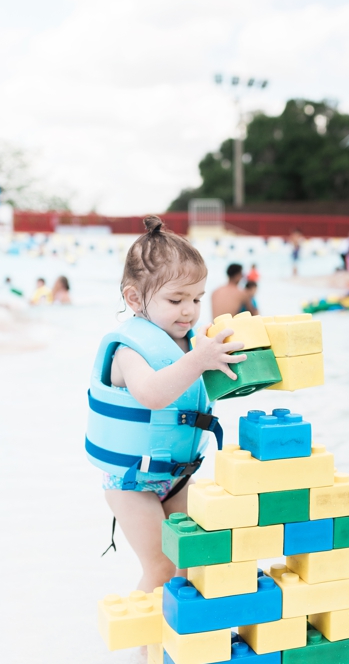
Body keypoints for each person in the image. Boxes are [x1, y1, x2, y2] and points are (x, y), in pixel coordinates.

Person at [85, 216, 245, 592]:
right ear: (134, 298)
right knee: (159, 566)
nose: (189, 311)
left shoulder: (191, 343)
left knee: (188, 562)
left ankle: (178, 643)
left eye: (196, 299)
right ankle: (141, 648)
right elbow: (152, 394)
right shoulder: (129, 348)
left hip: (177, 476)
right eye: (176, 299)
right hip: (131, 483)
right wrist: (198, 360)